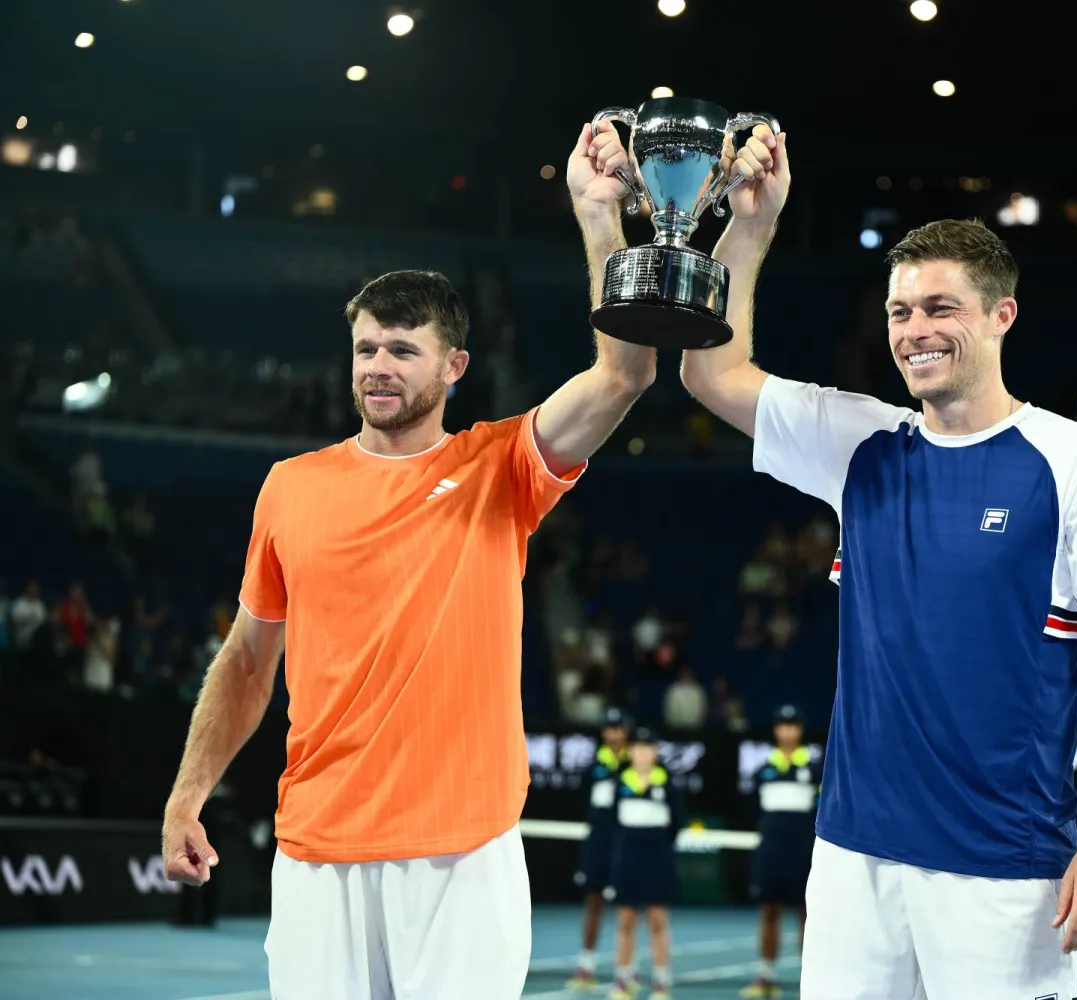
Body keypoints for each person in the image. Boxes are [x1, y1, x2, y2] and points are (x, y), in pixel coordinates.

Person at [159, 120, 657, 1000]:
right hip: (317, 853)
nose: (377, 368)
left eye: (401, 349)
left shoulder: (500, 465)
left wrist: (594, 215)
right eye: (364, 349)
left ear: (454, 365)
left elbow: (624, 375)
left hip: (461, 855)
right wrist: (187, 791)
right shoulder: (289, 486)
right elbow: (246, 656)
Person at [679, 126, 1077, 998]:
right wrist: (749, 230)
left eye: (941, 308)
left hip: (1005, 873)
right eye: (900, 311)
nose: (915, 331)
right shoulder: (861, 442)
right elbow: (709, 373)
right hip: (853, 859)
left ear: (1001, 315)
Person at [742, 704, 821, 999]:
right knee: (769, 911)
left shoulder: (814, 769)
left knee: (806, 914)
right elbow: (753, 811)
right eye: (783, 725)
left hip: (803, 852)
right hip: (771, 852)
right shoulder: (764, 771)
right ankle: (766, 976)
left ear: (800, 729)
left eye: (793, 725)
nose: (788, 731)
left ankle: (810, 980)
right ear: (776, 730)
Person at [607, 726, 685, 1000]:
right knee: (626, 919)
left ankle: (662, 981)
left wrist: (658, 845)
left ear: (654, 752)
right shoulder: (620, 782)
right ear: (632, 752)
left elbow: (677, 823)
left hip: (657, 857)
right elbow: (612, 822)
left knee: (656, 919)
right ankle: (623, 979)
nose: (642, 753)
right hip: (627, 857)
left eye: (647, 747)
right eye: (637, 747)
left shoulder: (667, 783)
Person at [570, 706, 633, 992]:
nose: (614, 734)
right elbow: (584, 802)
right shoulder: (594, 766)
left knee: (628, 908)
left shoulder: (636, 765)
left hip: (626, 844)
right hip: (598, 844)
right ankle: (586, 966)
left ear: (625, 732)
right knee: (593, 903)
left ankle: (626, 971)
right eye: (609, 729)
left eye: (618, 728)